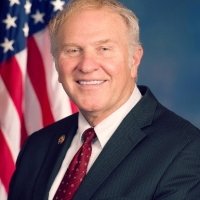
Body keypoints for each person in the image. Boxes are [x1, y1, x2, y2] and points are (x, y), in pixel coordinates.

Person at [8, 0, 200, 199]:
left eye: (104, 49)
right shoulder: (37, 146)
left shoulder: (186, 151)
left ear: (134, 59)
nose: (87, 66)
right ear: (56, 63)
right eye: (72, 50)